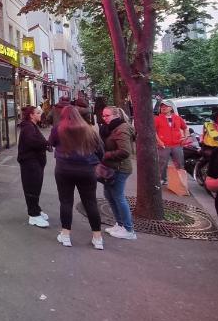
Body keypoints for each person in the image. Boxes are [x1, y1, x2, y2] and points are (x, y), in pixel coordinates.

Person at [49, 105, 105, 249]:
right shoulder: (89, 129)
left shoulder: (58, 128)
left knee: (66, 201)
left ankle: (66, 235)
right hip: (86, 170)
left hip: (64, 169)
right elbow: (100, 151)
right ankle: (97, 238)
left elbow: (52, 143)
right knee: (90, 202)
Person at [100, 106, 136, 240]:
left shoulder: (122, 129)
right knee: (109, 195)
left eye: (107, 115)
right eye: (103, 116)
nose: (104, 118)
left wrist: (106, 155)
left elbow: (125, 151)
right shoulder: (112, 128)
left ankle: (128, 229)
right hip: (111, 168)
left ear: (116, 115)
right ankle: (120, 224)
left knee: (118, 197)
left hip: (120, 168)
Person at [17, 105, 50, 227]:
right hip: (30, 164)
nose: (40, 114)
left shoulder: (30, 126)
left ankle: (36, 209)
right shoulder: (28, 128)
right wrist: (46, 143)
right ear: (31, 115)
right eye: (38, 113)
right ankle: (33, 215)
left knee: (35, 187)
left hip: (34, 163)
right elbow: (34, 142)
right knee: (32, 188)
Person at [154, 101, 188, 184]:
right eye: (162, 107)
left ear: (171, 108)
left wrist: (185, 137)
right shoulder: (157, 119)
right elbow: (153, 131)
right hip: (164, 145)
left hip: (177, 144)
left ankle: (180, 181)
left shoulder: (177, 118)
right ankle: (162, 179)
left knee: (180, 163)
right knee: (162, 163)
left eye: (166, 106)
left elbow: (185, 128)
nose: (164, 108)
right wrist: (159, 141)